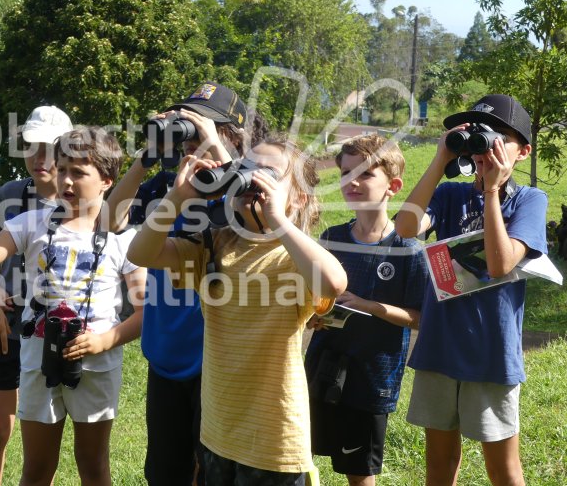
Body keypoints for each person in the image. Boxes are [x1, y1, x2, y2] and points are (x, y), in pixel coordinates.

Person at [128, 137, 348, 485]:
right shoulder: (213, 245)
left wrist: (278, 219)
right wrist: (178, 197)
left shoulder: (295, 257)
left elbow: (334, 283)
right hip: (218, 431)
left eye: (269, 174)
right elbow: (141, 253)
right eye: (246, 169)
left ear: (298, 198)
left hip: (275, 440)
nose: (254, 178)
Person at [0, 126, 147, 486]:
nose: (66, 180)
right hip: (37, 362)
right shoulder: (31, 224)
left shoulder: (125, 240)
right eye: (63, 169)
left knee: (93, 466)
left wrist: (105, 341)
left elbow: (146, 312)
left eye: (79, 172)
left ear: (107, 181)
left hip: (96, 366)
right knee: (36, 468)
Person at [105, 81, 254, 486]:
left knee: (215, 472)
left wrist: (212, 144)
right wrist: (147, 158)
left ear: (233, 136)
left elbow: (254, 210)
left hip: (220, 358)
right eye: (184, 127)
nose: (189, 138)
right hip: (167, 352)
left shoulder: (246, 185)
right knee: (165, 472)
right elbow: (111, 220)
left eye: (202, 128)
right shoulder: (170, 186)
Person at [394, 94, 548, 486]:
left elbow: (499, 264)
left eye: (499, 139)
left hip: (490, 354)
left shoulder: (529, 200)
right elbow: (405, 229)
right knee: (439, 465)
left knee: (503, 470)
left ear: (523, 151)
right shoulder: (450, 196)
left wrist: (492, 191)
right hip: (439, 347)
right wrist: (440, 160)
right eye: (479, 137)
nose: (487, 148)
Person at [305, 134, 428, 486]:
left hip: (372, 379)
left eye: (364, 174)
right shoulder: (331, 237)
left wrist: (370, 306)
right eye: (345, 173)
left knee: (359, 474)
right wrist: (314, 314)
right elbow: (313, 296)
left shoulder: (408, 249)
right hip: (321, 368)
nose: (352, 182)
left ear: (393, 186)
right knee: (297, 458)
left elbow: (419, 316)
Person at [0, 104, 72, 486]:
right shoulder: (10, 194)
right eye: (31, 146)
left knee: (43, 443)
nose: (39, 157)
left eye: (49, 148)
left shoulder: (83, 202)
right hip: (10, 328)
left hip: (59, 334)